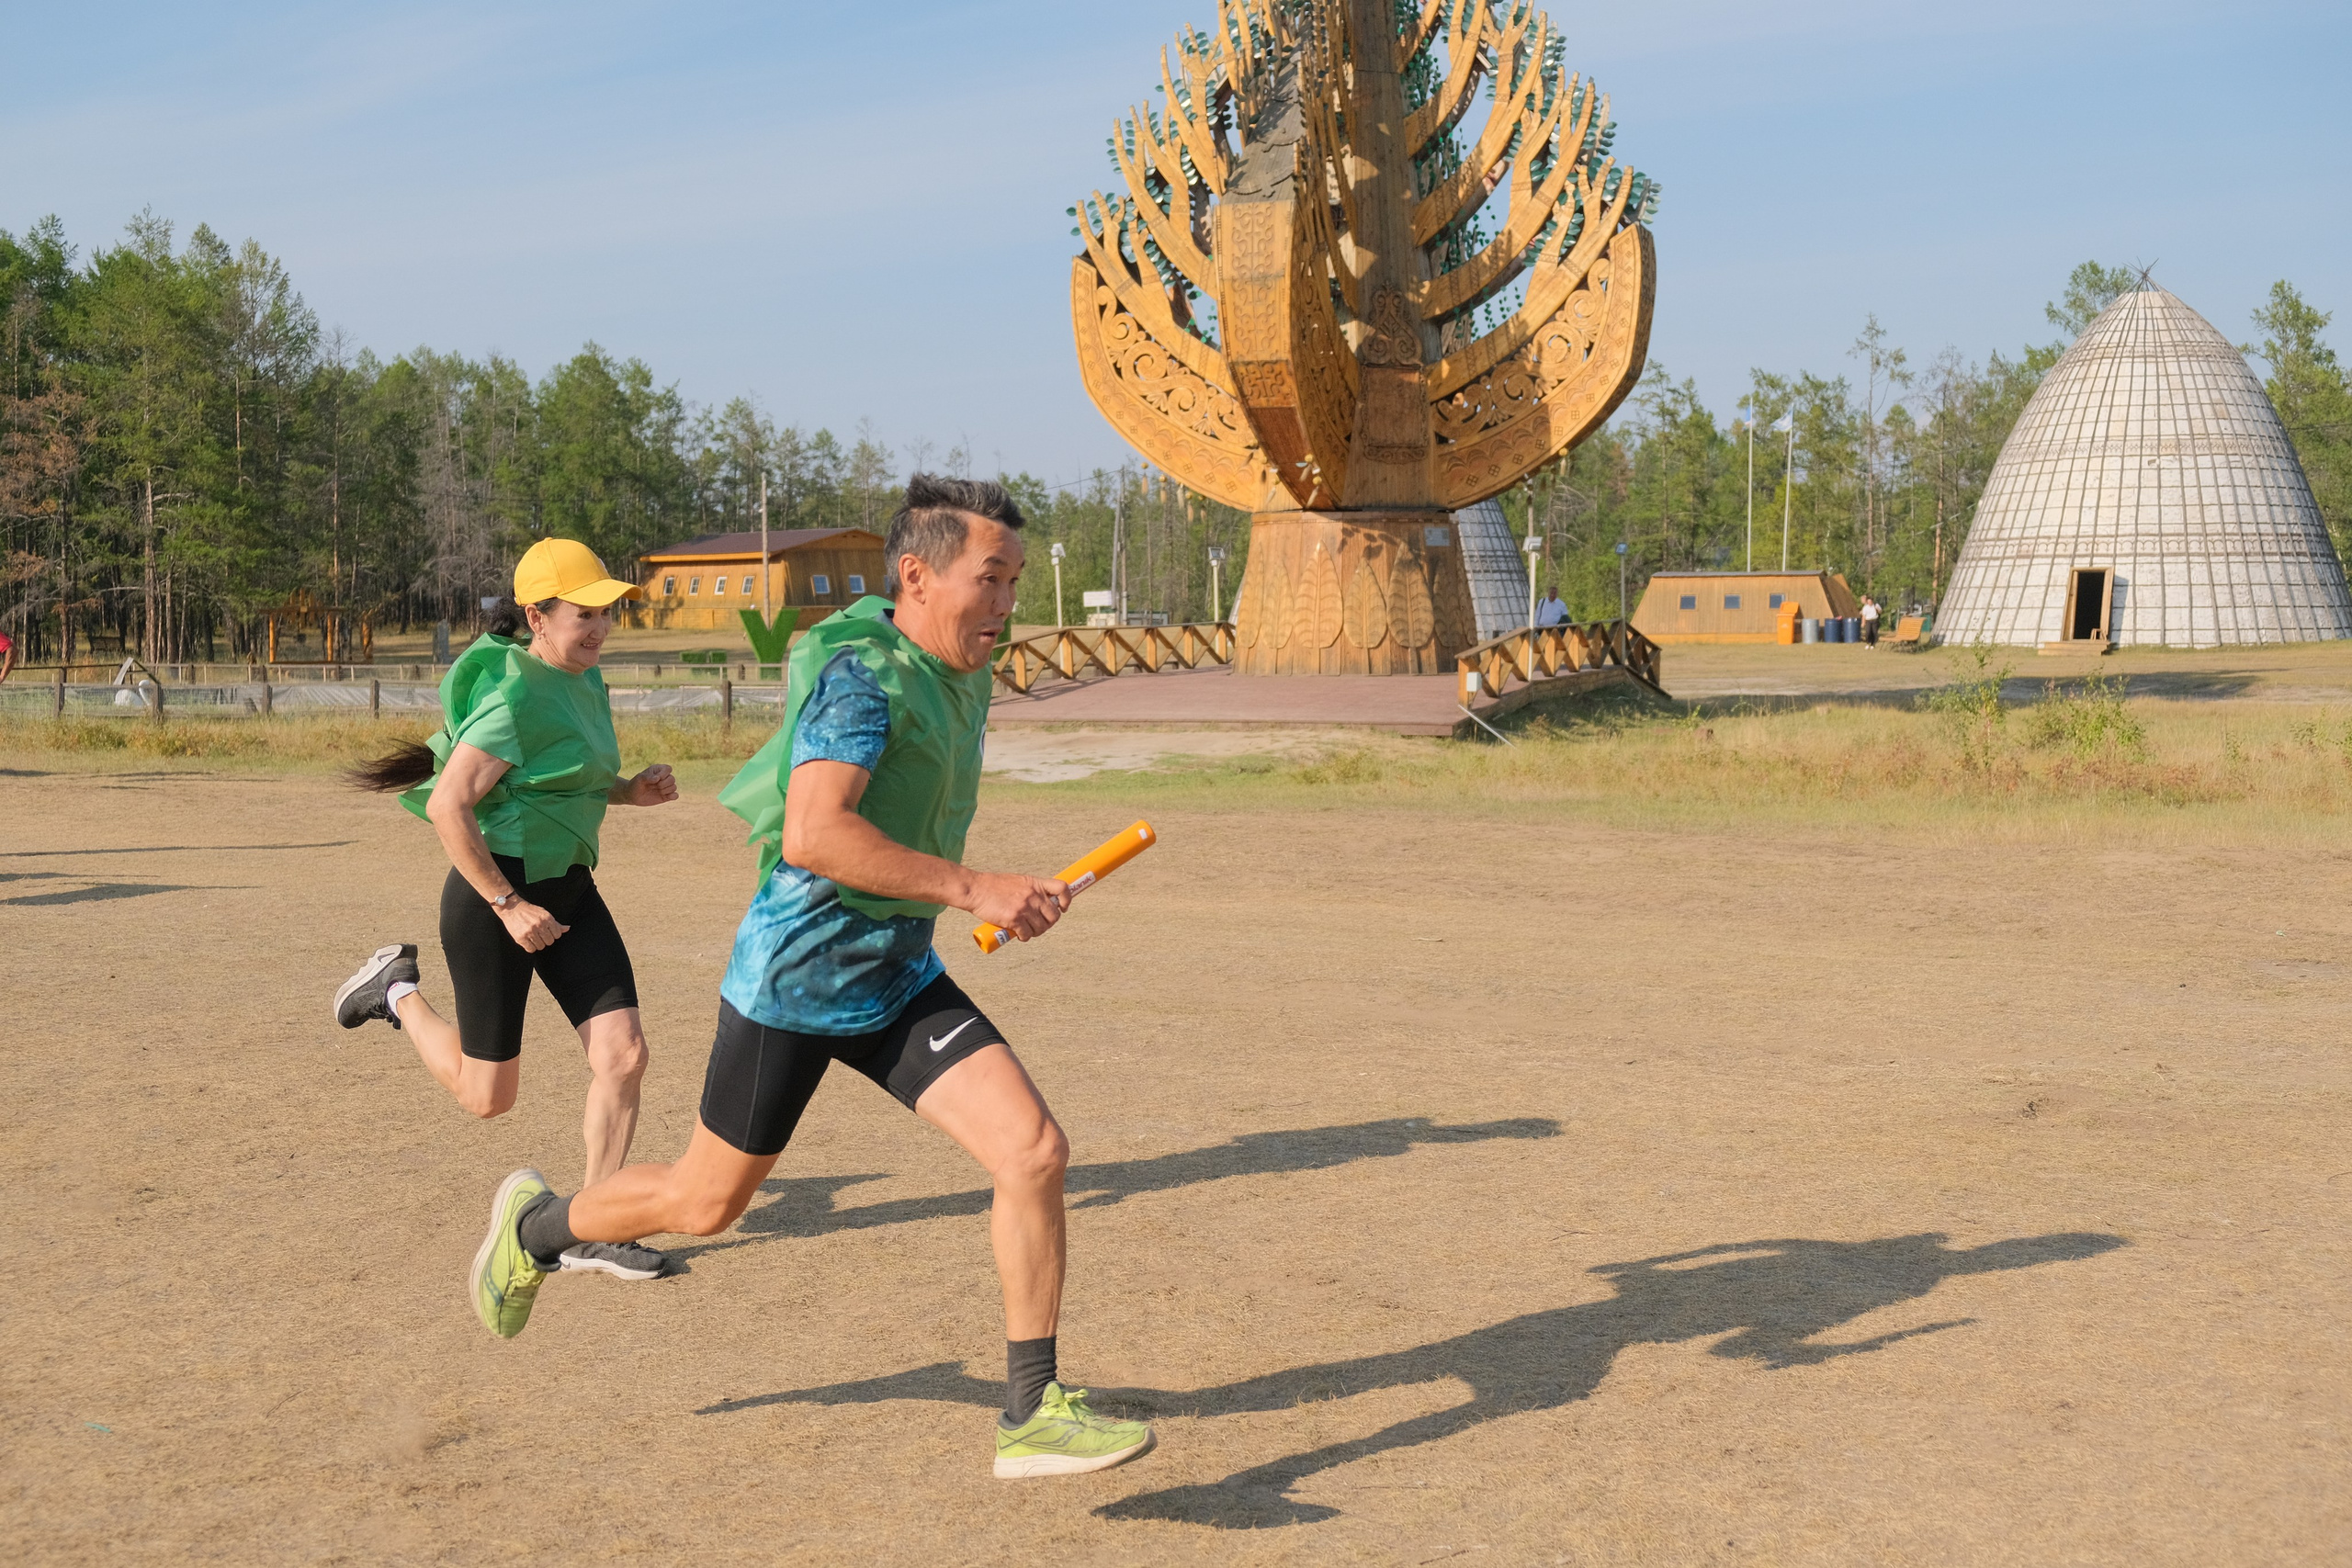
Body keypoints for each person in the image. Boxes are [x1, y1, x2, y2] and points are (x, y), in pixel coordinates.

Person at [464, 475, 1155, 1481]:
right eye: (990, 580)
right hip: (795, 980)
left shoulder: (950, 662)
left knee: (1034, 1150)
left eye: (1013, 581)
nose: (1006, 605)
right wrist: (975, 887)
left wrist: (988, 894)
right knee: (703, 1206)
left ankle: (1031, 1410)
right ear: (916, 575)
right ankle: (532, 1230)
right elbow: (815, 831)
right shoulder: (862, 675)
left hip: (894, 973)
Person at [335, 538, 680, 1280]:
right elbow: (450, 805)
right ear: (538, 616)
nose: (598, 628)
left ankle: (594, 1223)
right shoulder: (515, 694)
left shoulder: (587, 682)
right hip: (497, 896)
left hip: (570, 892)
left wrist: (627, 790)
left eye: (605, 613)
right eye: (582, 613)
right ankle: (393, 990)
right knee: (488, 1097)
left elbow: (566, 776)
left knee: (624, 1055)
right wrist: (508, 903)